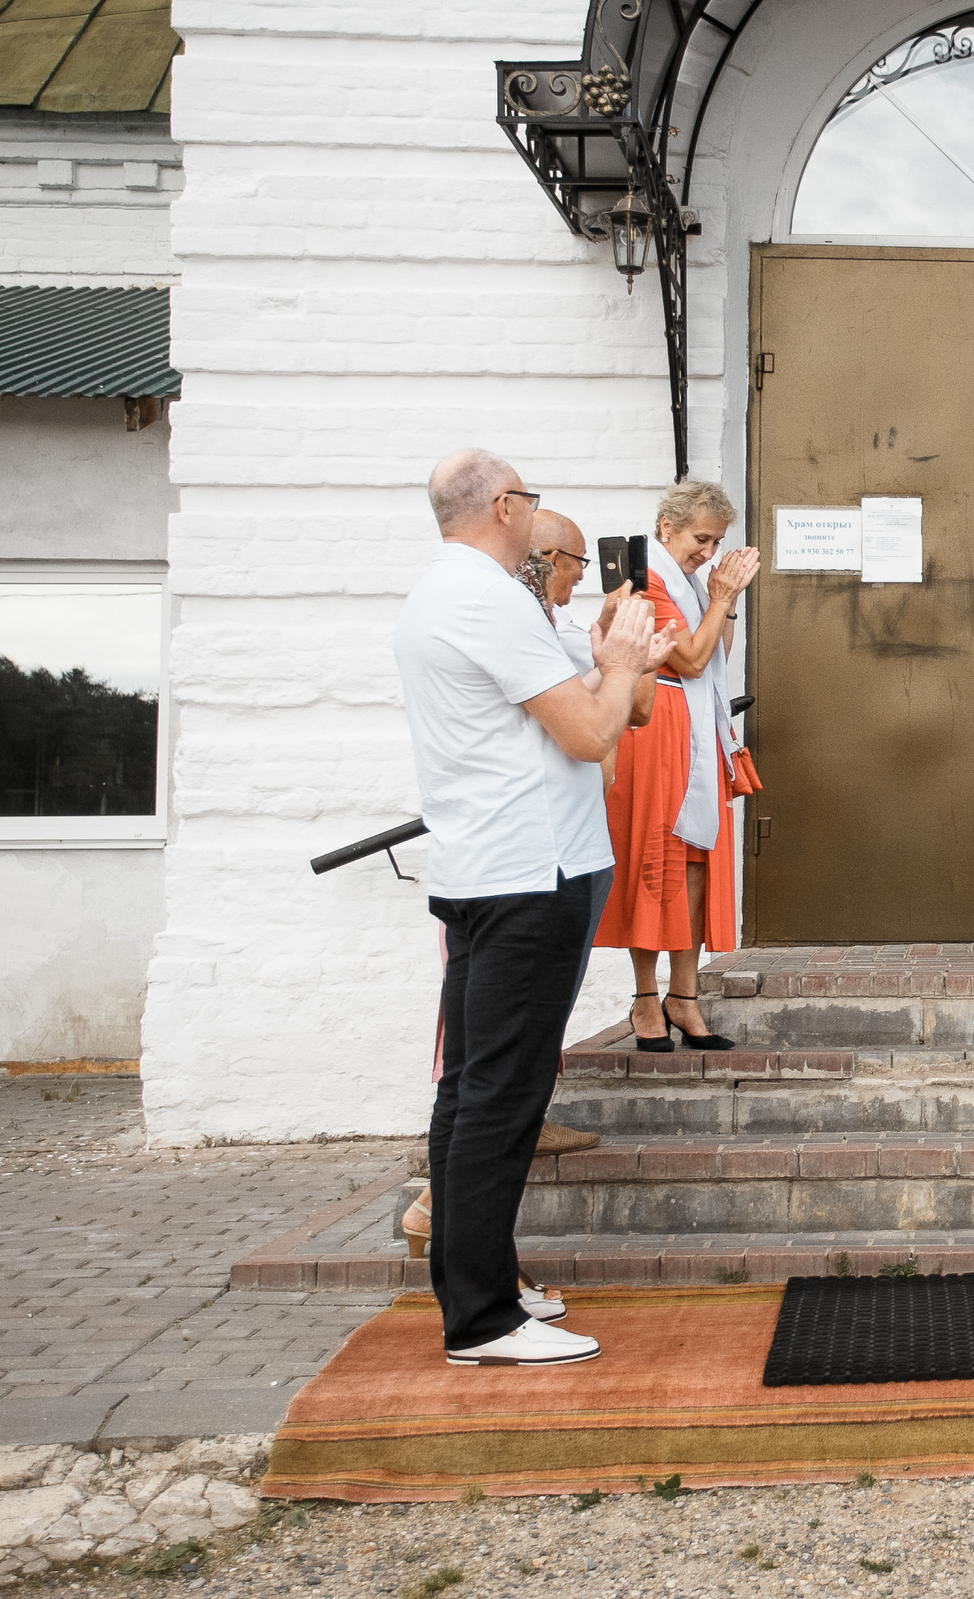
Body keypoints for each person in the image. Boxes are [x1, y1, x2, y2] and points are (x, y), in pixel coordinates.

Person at [396, 448, 668, 1367]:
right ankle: (481, 1319)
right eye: (531, 500)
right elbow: (594, 733)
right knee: (502, 1098)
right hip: (528, 874)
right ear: (506, 506)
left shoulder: (439, 589)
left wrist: (610, 669)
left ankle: (483, 1285)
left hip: (483, 868)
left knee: (469, 1088)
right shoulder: (488, 598)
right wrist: (624, 662)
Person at [595, 481, 760, 1050]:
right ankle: (646, 996)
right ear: (666, 527)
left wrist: (725, 602)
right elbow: (688, 660)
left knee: (695, 859)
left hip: (694, 727)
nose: (708, 553)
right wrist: (719, 598)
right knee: (653, 859)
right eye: (700, 538)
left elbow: (718, 653)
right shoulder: (645, 580)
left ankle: (683, 996)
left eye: (716, 542)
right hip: (655, 724)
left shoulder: (690, 581)